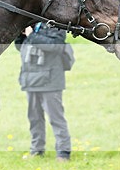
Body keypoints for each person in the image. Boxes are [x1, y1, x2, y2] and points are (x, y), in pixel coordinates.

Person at [15, 23, 75, 161]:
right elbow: (20, 47)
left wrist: (32, 35)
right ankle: (36, 151)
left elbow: (55, 46)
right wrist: (20, 34)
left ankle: (63, 153)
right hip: (30, 79)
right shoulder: (31, 24)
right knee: (34, 119)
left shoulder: (55, 25)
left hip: (51, 80)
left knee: (56, 119)